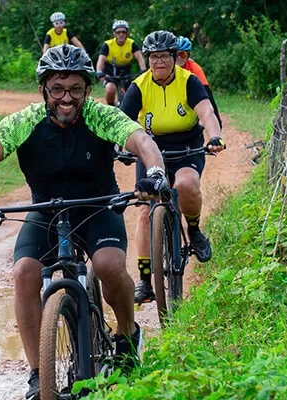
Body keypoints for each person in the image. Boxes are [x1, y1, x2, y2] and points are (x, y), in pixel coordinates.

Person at [0, 44, 167, 400]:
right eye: (57, 89)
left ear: (88, 90)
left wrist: (156, 172)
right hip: (46, 210)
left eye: (75, 90)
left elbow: (142, 142)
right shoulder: (24, 121)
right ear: (43, 91)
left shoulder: (100, 116)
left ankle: (128, 336)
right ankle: (39, 373)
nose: (66, 98)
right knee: (24, 273)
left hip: (97, 207)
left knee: (109, 265)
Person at [118, 31, 226, 304]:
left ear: (175, 57)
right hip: (150, 150)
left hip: (186, 147)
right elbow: (120, 122)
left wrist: (214, 136)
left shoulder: (189, 81)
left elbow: (206, 113)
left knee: (187, 185)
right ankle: (145, 281)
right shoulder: (139, 85)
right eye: (154, 57)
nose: (159, 62)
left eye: (165, 56)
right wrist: (117, 146)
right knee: (143, 211)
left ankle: (194, 230)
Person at [94, 20, 146, 106]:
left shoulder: (131, 43)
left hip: (125, 71)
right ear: (114, 34)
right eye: (118, 32)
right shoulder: (108, 44)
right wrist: (99, 71)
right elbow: (101, 60)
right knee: (110, 89)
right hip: (110, 71)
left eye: (123, 32)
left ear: (127, 33)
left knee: (130, 92)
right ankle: (111, 106)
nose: (121, 34)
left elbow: (139, 57)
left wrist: (143, 70)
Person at [176, 35, 221, 128]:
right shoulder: (165, 68)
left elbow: (207, 93)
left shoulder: (195, 68)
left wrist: (217, 122)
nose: (179, 58)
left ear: (188, 56)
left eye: (182, 54)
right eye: (176, 54)